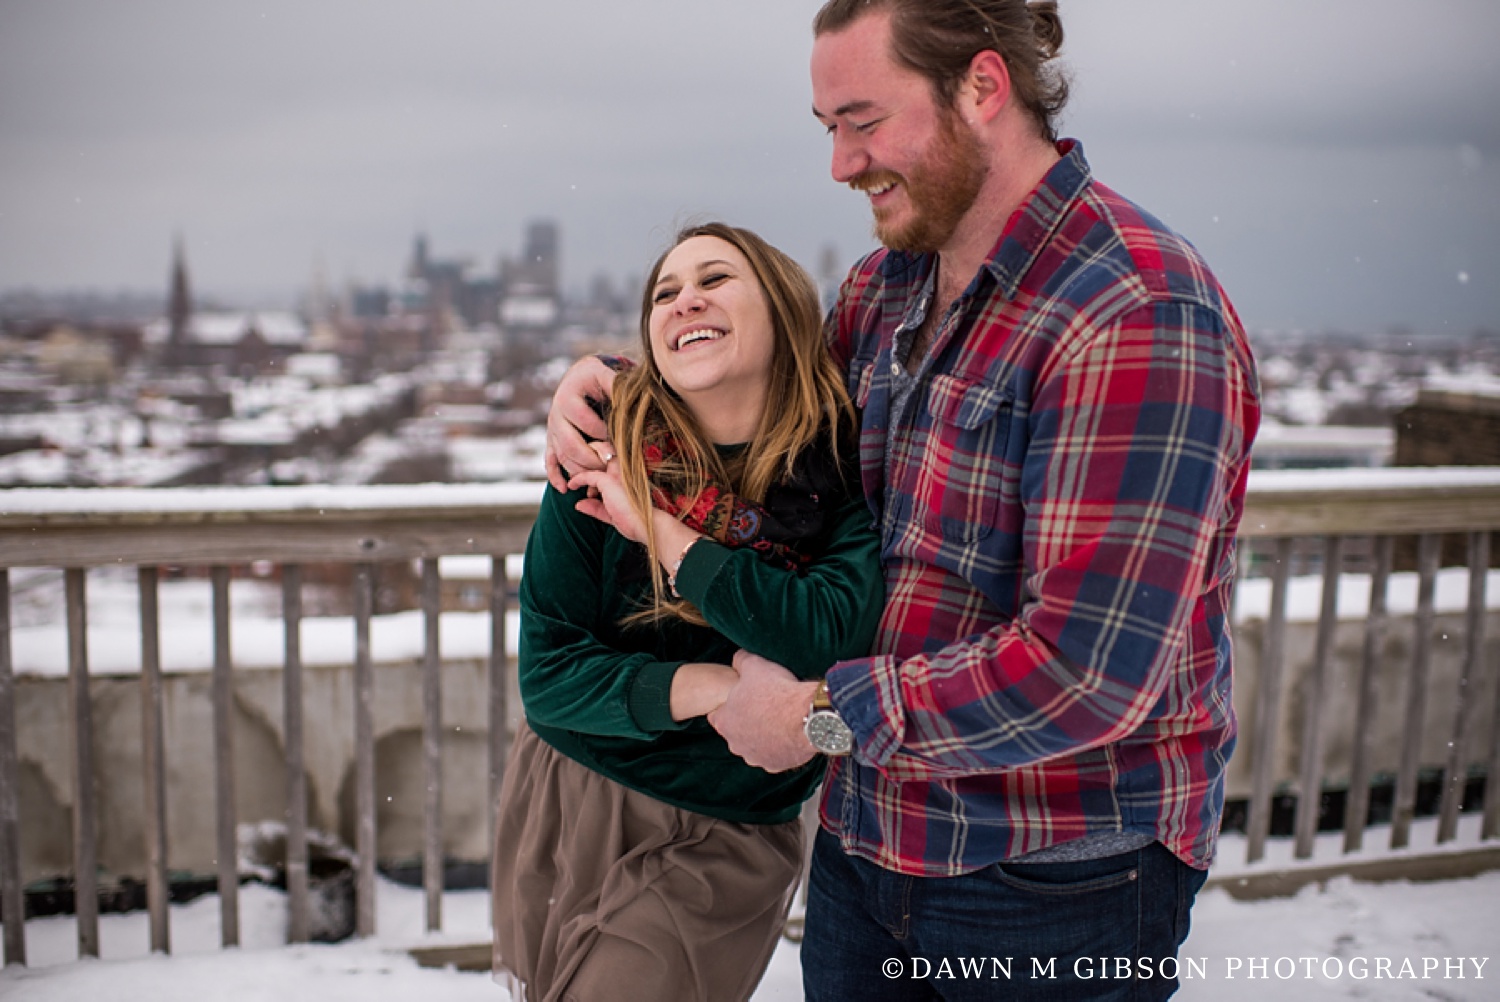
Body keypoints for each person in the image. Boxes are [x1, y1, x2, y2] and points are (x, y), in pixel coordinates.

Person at [545, 2, 1260, 998]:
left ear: (982, 86)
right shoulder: (883, 293)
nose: (841, 164)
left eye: (864, 121)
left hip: (1053, 879)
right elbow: (758, 418)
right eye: (827, 127)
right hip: (867, 849)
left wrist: (816, 722)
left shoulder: (1132, 312)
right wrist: (609, 392)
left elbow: (1085, 675)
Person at [493, 221, 883, 1002]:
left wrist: (669, 538)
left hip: (723, 829)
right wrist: (713, 689)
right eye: (665, 291)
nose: (685, 300)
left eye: (715, 279)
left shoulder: (843, 469)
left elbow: (825, 634)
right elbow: (549, 678)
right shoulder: (601, 455)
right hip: (572, 794)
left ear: (782, 312)